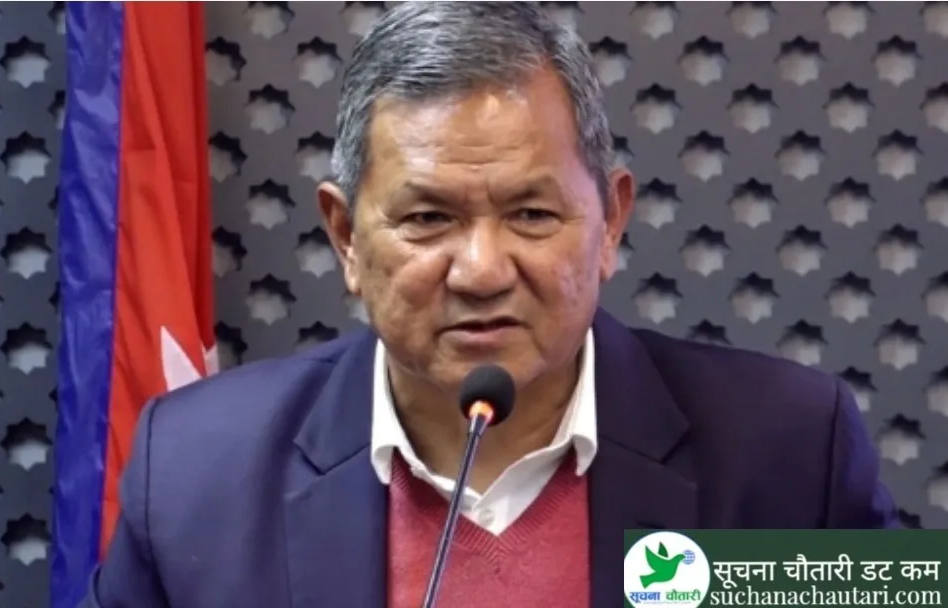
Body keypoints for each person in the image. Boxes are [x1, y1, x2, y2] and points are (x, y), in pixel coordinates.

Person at [81, 2, 899, 607]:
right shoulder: (196, 474)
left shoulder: (790, 452)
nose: (480, 271)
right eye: (428, 219)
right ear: (346, 238)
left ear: (610, 222)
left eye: (531, 215)